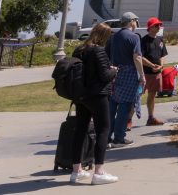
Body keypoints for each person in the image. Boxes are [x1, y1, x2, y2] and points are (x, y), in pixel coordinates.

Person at [69, 23, 119, 185]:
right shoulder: (98, 50)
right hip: (97, 95)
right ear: (104, 35)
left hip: (81, 96)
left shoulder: (79, 50)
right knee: (103, 130)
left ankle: (76, 170)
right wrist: (114, 70)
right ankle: (99, 172)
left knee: (80, 130)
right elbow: (104, 75)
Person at [105, 12, 145, 147]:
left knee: (112, 105)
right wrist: (142, 76)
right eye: (136, 21)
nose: (136, 24)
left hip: (115, 73)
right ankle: (119, 138)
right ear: (131, 21)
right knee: (125, 106)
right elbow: (137, 57)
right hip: (129, 73)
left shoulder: (114, 37)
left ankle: (106, 137)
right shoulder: (134, 37)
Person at [140, 17, 168, 125]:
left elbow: (162, 55)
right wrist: (151, 65)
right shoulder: (144, 40)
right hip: (144, 73)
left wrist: (161, 66)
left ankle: (150, 118)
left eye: (159, 25)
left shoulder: (160, 40)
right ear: (150, 27)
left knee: (152, 95)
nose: (159, 27)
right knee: (137, 96)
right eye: (156, 25)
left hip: (156, 73)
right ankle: (128, 120)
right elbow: (140, 57)